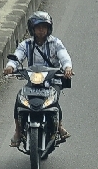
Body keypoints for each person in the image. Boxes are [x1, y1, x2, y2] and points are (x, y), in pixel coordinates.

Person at [5, 12, 73, 147]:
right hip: (33, 81)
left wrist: (67, 67)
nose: (41, 30)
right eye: (38, 27)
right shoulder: (26, 44)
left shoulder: (55, 43)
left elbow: (64, 56)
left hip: (53, 81)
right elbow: (17, 56)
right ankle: (18, 131)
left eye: (44, 27)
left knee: (54, 100)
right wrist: (10, 67)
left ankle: (59, 126)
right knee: (19, 101)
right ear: (32, 29)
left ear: (49, 28)